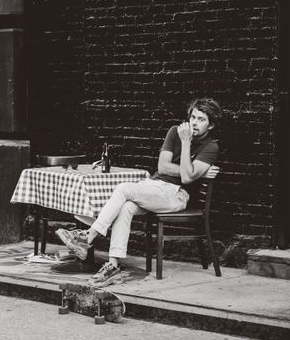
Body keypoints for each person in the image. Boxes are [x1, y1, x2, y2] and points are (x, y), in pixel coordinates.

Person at [56, 97, 223, 287]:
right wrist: (194, 171)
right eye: (193, 117)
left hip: (176, 195)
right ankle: (113, 265)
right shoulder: (174, 131)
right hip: (153, 187)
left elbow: (185, 179)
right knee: (126, 207)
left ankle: (88, 236)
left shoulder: (211, 146)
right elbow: (163, 167)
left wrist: (186, 145)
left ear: (210, 125)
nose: (194, 123)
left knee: (123, 188)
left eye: (201, 119)